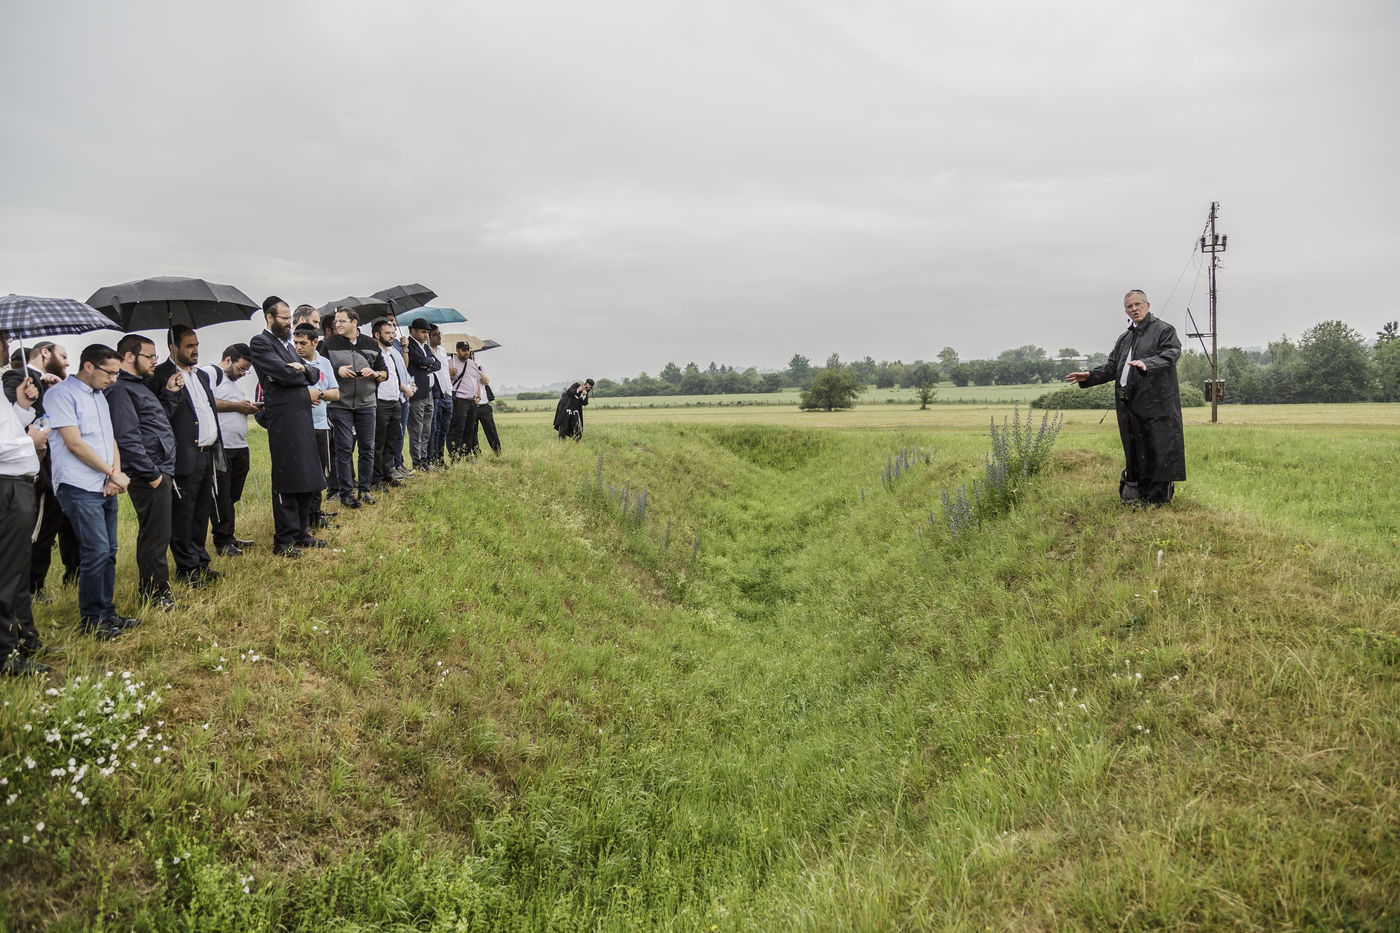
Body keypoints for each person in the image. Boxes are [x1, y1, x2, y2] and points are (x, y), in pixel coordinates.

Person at [45, 344, 138, 639]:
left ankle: (107, 612)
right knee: (95, 550)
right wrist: (111, 472)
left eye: (117, 373)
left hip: (105, 483)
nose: (113, 379)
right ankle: (92, 619)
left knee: (109, 550)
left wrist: (115, 475)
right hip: (78, 484)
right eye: (109, 373)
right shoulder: (60, 395)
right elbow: (74, 444)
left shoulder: (100, 396)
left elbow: (110, 440)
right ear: (88, 366)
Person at [1065, 289, 1186, 506]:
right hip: (1128, 403)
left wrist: (1147, 363)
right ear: (1126, 311)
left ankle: (1157, 499)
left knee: (1158, 447)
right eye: (1129, 306)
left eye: (1138, 304)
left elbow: (1171, 354)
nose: (1134, 309)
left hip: (1156, 402)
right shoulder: (1125, 338)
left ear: (1147, 305)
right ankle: (1136, 493)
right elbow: (1112, 367)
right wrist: (1090, 376)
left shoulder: (1164, 330)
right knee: (1134, 448)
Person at [249, 297, 328, 556]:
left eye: (289, 318)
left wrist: (301, 370)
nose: (289, 323)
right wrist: (300, 371)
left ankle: (301, 531)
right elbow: (283, 374)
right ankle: (284, 539)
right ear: (269, 318)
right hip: (283, 419)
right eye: (284, 318)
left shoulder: (288, 346)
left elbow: (314, 374)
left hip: (302, 416)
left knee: (306, 473)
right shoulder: (261, 343)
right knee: (288, 476)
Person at [2, 341, 79, 599]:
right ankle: (31, 588)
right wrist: (41, 395)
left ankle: (37, 585)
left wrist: (58, 389)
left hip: (60, 469)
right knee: (37, 533)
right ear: (45, 353)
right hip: (37, 471)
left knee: (51, 529)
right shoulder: (17, 377)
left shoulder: (55, 384)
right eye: (63, 355)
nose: (67, 361)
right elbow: (14, 422)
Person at [108, 335, 179, 611]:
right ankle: (155, 595)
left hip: (160, 467)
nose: (155, 362)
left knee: (159, 533)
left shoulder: (139, 386)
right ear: (129, 357)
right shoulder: (120, 389)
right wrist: (152, 473)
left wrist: (170, 393)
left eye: (155, 356)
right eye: (149, 356)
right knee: (155, 536)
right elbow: (127, 438)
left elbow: (155, 423)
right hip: (149, 473)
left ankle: (156, 590)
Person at [150, 326, 223, 588]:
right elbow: (158, 417)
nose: (195, 350)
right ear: (173, 348)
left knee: (202, 512)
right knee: (183, 514)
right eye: (189, 346)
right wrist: (169, 390)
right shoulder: (160, 376)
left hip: (206, 453)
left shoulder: (201, 375)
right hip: (182, 456)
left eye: (196, 345)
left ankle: (200, 560)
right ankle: (186, 568)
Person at [1, 334, 53, 674]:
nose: (6, 344)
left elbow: (7, 431)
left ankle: (25, 638)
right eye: (1, 339)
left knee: (18, 569)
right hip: (5, 487)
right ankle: (5, 655)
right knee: (6, 574)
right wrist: (30, 442)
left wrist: (22, 406)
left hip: (20, 484)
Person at [323, 307, 386, 509]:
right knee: (344, 448)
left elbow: (384, 373)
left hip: (367, 403)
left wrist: (375, 373)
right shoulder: (329, 344)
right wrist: (337, 370)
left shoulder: (371, 344)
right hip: (340, 404)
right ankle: (346, 494)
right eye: (336, 321)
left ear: (354, 322)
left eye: (342, 321)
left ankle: (365, 489)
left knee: (367, 447)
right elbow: (320, 371)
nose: (338, 324)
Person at [201, 344, 259, 555]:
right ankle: (223, 540)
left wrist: (248, 407)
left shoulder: (235, 383)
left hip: (240, 445)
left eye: (246, 371)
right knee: (221, 495)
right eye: (241, 369)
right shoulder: (210, 372)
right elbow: (206, 401)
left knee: (232, 494)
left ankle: (229, 536)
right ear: (228, 360)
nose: (242, 374)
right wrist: (238, 406)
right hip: (221, 446)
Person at [292, 324, 340, 529]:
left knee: (321, 472)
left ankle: (315, 513)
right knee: (303, 472)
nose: (298, 347)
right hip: (299, 426)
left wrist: (318, 393)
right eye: (295, 343)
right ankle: (303, 515)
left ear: (315, 342)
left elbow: (335, 393)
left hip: (321, 424)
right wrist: (304, 395)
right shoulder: (292, 362)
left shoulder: (324, 363)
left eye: (303, 343)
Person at [371, 318, 411, 488]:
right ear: (377, 334)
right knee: (379, 442)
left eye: (393, 333)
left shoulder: (391, 353)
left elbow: (396, 376)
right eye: (387, 333)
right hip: (380, 401)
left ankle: (387, 475)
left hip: (395, 401)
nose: (391, 336)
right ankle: (376, 479)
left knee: (392, 440)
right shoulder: (373, 353)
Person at [404, 318, 440, 472]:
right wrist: (427, 361)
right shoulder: (409, 345)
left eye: (427, 332)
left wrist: (427, 363)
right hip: (417, 393)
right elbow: (419, 360)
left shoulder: (425, 346)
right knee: (416, 430)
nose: (426, 335)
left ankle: (424, 460)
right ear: (413, 331)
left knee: (427, 430)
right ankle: (417, 463)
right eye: (423, 332)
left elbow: (437, 365)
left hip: (429, 392)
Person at [446, 342, 481, 458]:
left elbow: (476, 380)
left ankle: (467, 454)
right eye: (463, 350)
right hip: (459, 400)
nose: (466, 352)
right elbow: (443, 381)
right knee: (458, 429)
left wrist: (478, 396)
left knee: (470, 429)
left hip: (472, 400)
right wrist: (450, 373)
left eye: (467, 350)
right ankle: (456, 455)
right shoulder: (450, 363)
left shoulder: (472, 363)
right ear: (457, 350)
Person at [426, 324, 453, 467]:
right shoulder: (425, 350)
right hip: (436, 394)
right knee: (435, 429)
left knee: (444, 430)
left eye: (439, 333)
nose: (439, 337)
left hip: (447, 393)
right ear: (428, 336)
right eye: (435, 334)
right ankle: (433, 458)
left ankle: (441, 459)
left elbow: (444, 372)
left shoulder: (442, 350)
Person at [474, 366, 502, 455]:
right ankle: (476, 453)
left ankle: (497, 451)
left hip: (484, 405)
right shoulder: (462, 368)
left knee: (491, 430)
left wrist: (476, 370)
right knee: (472, 432)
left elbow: (486, 381)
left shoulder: (480, 368)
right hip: (471, 405)